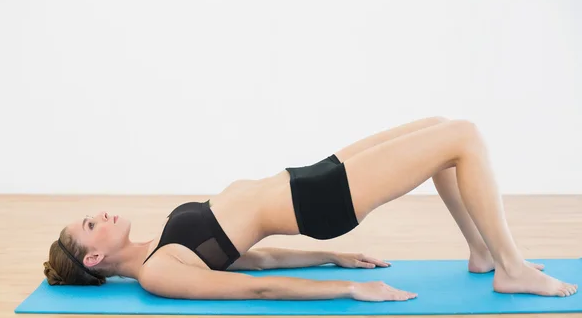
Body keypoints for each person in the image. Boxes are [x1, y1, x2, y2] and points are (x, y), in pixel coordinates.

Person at [43, 117, 578, 302]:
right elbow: (254, 289)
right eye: (92, 226)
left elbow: (254, 261)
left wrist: (333, 259)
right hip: (323, 201)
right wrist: (346, 289)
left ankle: (483, 253)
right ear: (93, 260)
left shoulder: (160, 249)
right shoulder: (157, 273)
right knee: (462, 137)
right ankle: (511, 268)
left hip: (312, 177)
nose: (103, 215)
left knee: (441, 126)